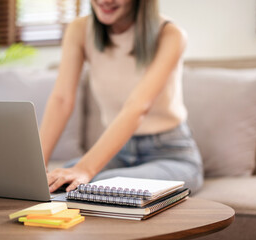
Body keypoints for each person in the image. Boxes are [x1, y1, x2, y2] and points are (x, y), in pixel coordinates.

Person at [40, 0, 203, 194]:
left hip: (170, 154)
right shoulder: (80, 29)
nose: (104, 1)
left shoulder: (170, 35)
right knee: (58, 183)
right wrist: (35, 166)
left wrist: (84, 169)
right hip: (118, 152)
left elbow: (137, 107)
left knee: (98, 186)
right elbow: (61, 100)